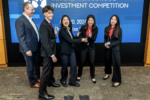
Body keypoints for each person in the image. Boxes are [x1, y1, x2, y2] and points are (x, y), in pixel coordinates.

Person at [15, 2, 41, 88]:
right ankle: (32, 83)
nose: (33, 11)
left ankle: (37, 78)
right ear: (25, 9)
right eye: (32, 9)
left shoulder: (30, 18)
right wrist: (26, 49)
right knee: (30, 66)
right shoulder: (20, 20)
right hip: (28, 49)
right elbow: (21, 37)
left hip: (36, 47)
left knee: (36, 64)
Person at [59, 15, 88, 87]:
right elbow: (69, 40)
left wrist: (77, 36)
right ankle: (63, 80)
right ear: (62, 22)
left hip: (71, 50)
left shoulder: (69, 29)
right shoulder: (62, 30)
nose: (66, 21)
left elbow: (71, 39)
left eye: (67, 20)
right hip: (64, 52)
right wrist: (81, 40)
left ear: (69, 21)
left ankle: (72, 81)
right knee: (64, 66)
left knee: (74, 66)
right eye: (64, 20)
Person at [39, 6, 60, 100]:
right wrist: (52, 55)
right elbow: (45, 42)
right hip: (48, 53)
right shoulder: (43, 25)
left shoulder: (49, 23)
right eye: (49, 13)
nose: (51, 14)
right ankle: (42, 93)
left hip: (51, 51)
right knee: (45, 72)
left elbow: (50, 39)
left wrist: (54, 35)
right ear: (44, 13)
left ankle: (50, 82)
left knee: (51, 69)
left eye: (51, 13)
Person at [77, 15, 98, 83]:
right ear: (87, 21)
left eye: (92, 20)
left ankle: (93, 76)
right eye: (89, 20)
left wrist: (91, 37)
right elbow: (79, 36)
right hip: (83, 47)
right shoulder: (83, 27)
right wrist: (81, 39)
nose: (90, 22)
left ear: (93, 21)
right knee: (81, 62)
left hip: (91, 47)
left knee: (92, 62)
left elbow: (94, 39)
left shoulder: (95, 28)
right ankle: (79, 75)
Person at [103, 15, 122, 87]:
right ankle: (107, 73)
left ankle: (117, 80)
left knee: (116, 64)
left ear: (117, 21)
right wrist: (105, 43)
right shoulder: (106, 28)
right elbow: (105, 38)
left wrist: (110, 45)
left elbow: (119, 41)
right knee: (107, 61)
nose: (113, 20)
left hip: (115, 48)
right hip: (107, 47)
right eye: (112, 19)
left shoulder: (119, 29)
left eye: (115, 19)